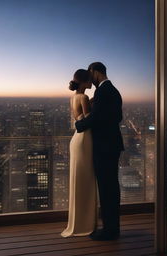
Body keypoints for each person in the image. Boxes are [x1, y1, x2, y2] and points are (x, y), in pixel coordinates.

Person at [75, 62, 124, 241]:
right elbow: (117, 117)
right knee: (110, 188)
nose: (90, 78)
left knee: (107, 189)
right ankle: (112, 228)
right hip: (111, 145)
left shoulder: (103, 91)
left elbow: (96, 118)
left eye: (90, 74)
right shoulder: (112, 90)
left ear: (96, 72)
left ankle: (110, 230)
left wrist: (78, 125)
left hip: (104, 146)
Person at [61, 69, 98, 237]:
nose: (92, 83)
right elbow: (90, 119)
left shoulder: (73, 97)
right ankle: (86, 223)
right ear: (84, 82)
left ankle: (78, 222)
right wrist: (94, 103)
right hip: (85, 138)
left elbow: (79, 118)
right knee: (86, 180)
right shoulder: (83, 98)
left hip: (77, 138)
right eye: (90, 80)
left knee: (80, 178)